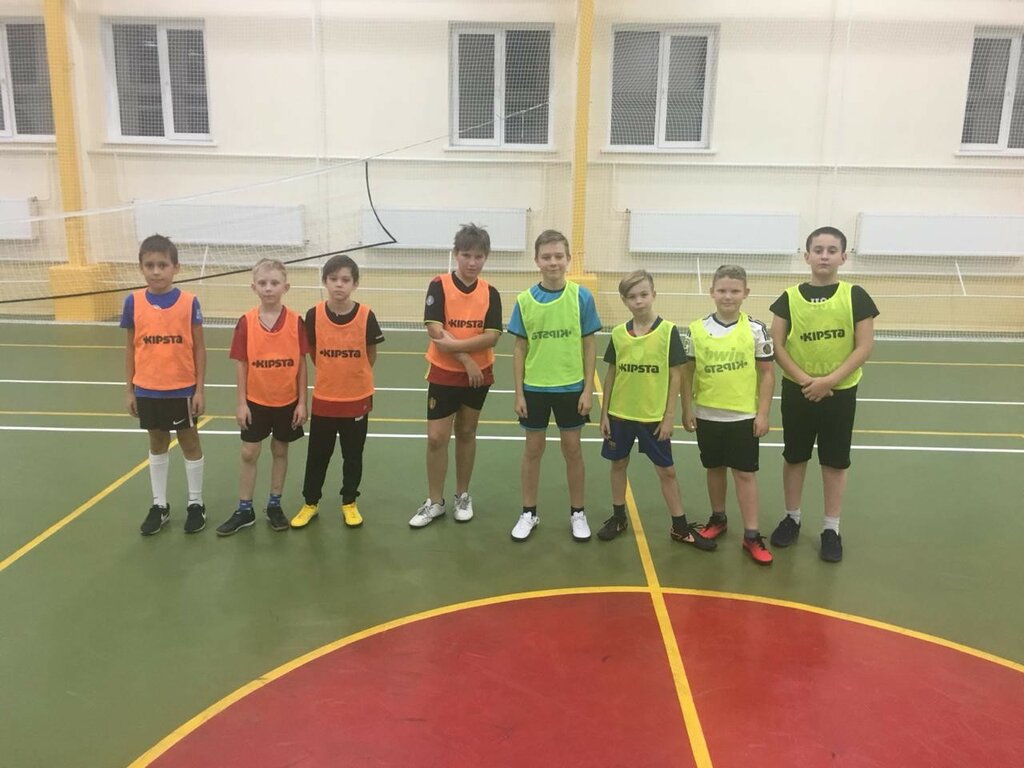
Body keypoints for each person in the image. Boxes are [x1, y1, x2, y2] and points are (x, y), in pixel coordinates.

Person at [767, 226, 878, 562]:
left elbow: (864, 346)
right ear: (807, 256)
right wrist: (806, 380)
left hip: (838, 393)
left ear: (843, 257)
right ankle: (792, 518)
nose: (824, 256)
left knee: (834, 460)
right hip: (798, 391)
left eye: (832, 250)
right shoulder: (788, 298)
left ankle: (831, 528)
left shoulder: (856, 296)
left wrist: (829, 381)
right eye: (818, 250)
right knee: (795, 456)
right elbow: (777, 345)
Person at [598, 270, 715, 551]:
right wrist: (604, 413)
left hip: (653, 417)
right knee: (618, 464)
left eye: (643, 294)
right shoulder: (618, 333)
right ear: (624, 300)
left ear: (653, 295)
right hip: (620, 414)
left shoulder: (668, 331)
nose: (639, 301)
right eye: (632, 296)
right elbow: (612, 373)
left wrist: (670, 415)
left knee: (667, 472)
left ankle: (680, 527)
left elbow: (677, 375)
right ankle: (618, 518)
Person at [508, 230, 601, 542]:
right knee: (532, 450)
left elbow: (590, 345)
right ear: (536, 260)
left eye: (559, 256)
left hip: (571, 388)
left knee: (572, 450)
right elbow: (519, 349)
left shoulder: (581, 297)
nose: (553, 262)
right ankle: (528, 513)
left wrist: (588, 390)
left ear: (568, 259)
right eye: (546, 257)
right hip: (535, 388)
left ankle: (578, 513)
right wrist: (519, 393)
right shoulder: (524, 300)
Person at [410, 224, 503, 528]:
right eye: (466, 255)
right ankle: (434, 502)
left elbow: (491, 336)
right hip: (444, 372)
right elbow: (435, 330)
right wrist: (466, 360)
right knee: (436, 438)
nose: (472, 262)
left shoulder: (491, 293)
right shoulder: (439, 285)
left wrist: (461, 352)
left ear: (486, 257)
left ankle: (462, 495)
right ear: (456, 254)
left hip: (479, 376)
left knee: (466, 433)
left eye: (479, 256)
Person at [680, 265, 775, 564]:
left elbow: (767, 374)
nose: (728, 296)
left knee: (745, 474)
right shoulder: (696, 329)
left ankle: (751, 534)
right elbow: (687, 372)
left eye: (735, 291)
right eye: (722, 290)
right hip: (707, 415)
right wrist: (687, 408)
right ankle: (718, 518)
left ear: (746, 293)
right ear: (712, 292)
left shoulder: (756, 329)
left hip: (743, 417)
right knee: (714, 468)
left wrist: (763, 413)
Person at [290, 254, 384, 530]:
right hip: (325, 399)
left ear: (355, 284)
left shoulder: (366, 315)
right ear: (325, 281)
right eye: (333, 279)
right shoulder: (313, 315)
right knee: (318, 455)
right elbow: (314, 353)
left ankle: (349, 502)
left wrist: (353, 376)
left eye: (345, 279)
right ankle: (310, 503)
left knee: (353, 455)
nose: (339, 284)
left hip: (357, 399)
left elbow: (370, 354)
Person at [216, 259, 309, 536]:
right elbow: (241, 363)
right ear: (253, 287)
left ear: (285, 287)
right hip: (256, 401)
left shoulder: (296, 321)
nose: (269, 288)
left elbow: (302, 364)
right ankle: (245, 509)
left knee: (280, 450)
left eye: (274, 283)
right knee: (249, 452)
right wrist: (241, 403)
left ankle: (274, 504)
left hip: (287, 401)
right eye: (263, 283)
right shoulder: (246, 322)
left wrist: (302, 402)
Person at [122, 234, 207, 535]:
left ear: (176, 267)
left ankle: (196, 503)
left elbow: (199, 348)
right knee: (157, 444)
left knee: (190, 443)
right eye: (150, 265)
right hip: (147, 389)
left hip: (182, 388)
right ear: (141, 268)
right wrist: (130, 389)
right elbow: (130, 347)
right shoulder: (133, 302)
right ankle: (160, 505)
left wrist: (199, 389)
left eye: (162, 265)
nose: (156, 271)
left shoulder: (188, 302)